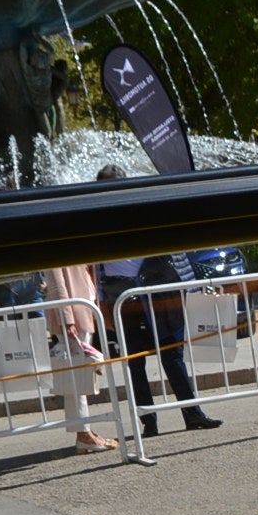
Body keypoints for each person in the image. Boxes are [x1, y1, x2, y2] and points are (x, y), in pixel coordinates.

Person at [91, 169, 219, 436]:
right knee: (135, 362)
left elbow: (174, 249)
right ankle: (148, 422)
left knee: (173, 356)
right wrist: (102, 303)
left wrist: (189, 288)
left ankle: (192, 413)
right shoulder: (97, 217)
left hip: (159, 293)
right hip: (123, 298)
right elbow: (97, 266)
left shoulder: (145, 208)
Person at [40, 261, 114, 453]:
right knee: (77, 377)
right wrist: (67, 319)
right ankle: (83, 433)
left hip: (82, 310)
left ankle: (84, 430)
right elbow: (57, 284)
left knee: (78, 376)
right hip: (75, 313)